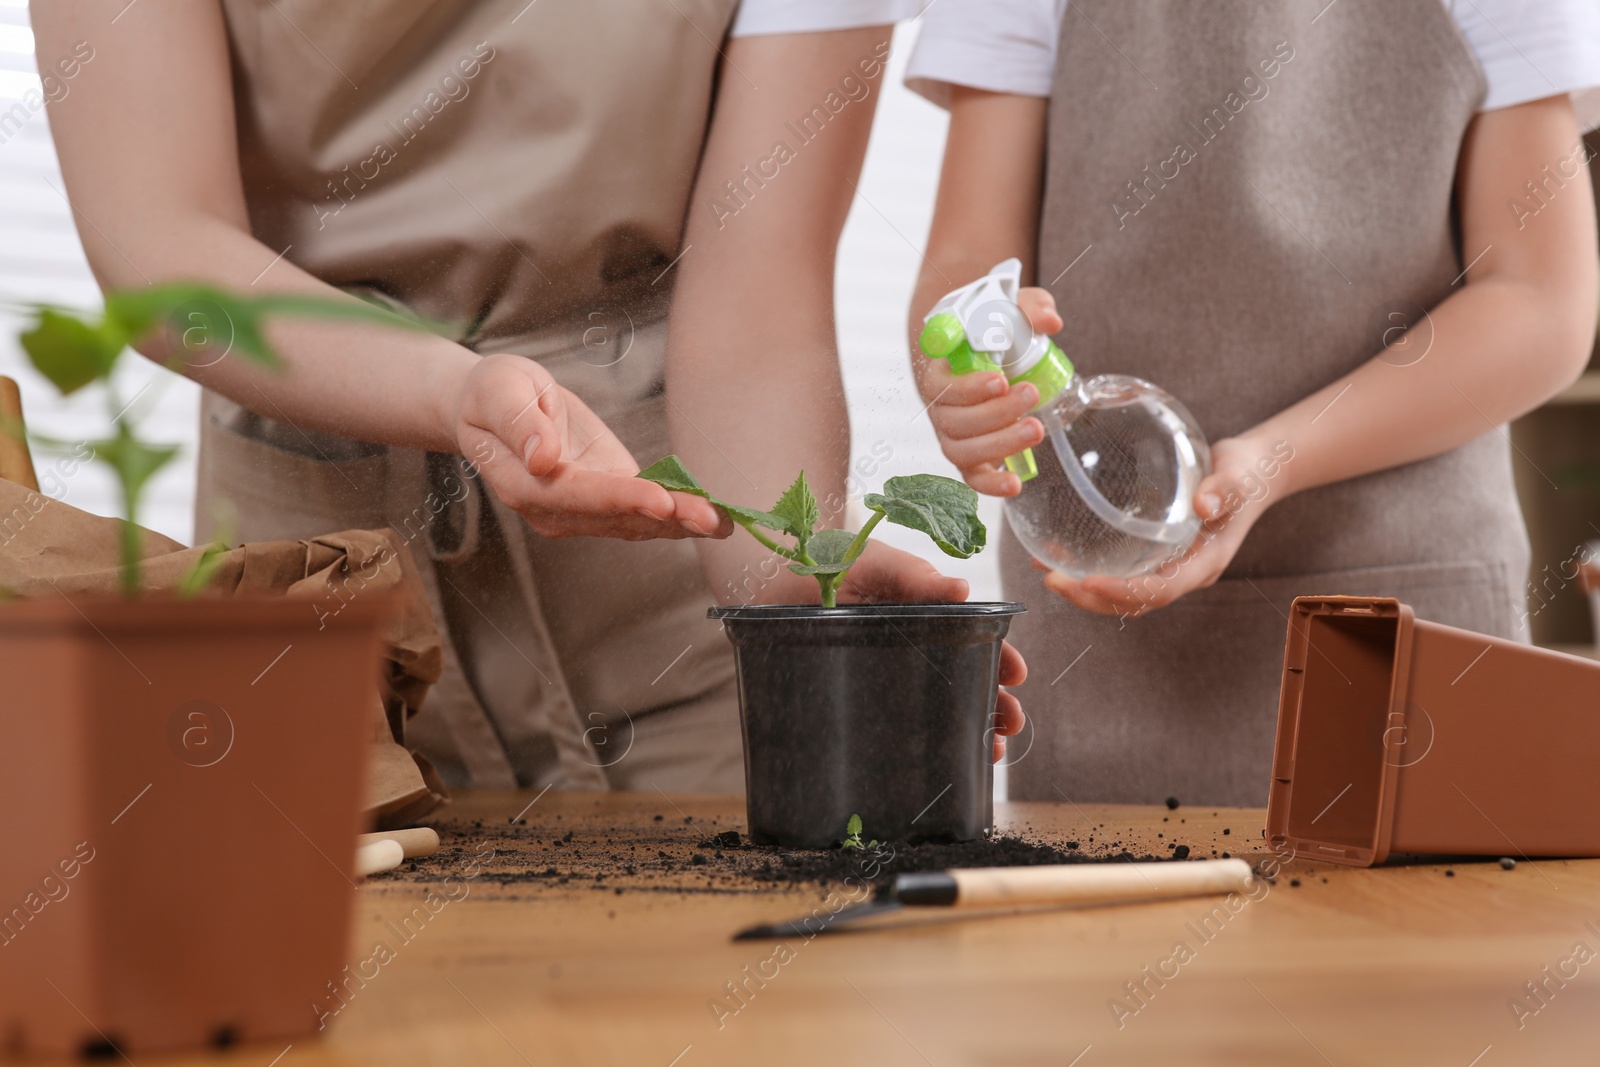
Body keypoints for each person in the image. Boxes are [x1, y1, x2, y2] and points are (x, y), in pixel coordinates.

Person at [33, 0, 1025, 794]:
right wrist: (454, 391)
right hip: (316, 610)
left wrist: (798, 593)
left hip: (666, 627)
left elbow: (754, 306)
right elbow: (163, 251)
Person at [904, 0, 1600, 805]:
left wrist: (1270, 463)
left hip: (1409, 618)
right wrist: (954, 367)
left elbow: (1541, 300)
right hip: (1110, 643)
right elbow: (969, 261)